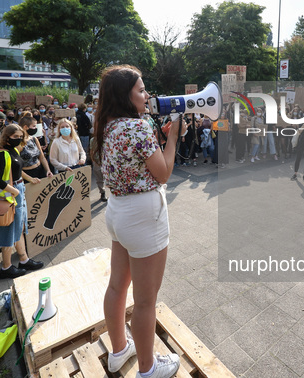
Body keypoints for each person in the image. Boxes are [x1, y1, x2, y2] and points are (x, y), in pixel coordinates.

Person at [95, 65, 182, 377]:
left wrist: (161, 134)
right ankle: (148, 369)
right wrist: (172, 140)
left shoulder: (108, 124)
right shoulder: (138, 128)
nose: (147, 96)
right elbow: (164, 173)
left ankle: (119, 350)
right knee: (146, 301)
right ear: (125, 95)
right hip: (144, 215)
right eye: (142, 90)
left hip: (118, 212)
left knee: (117, 286)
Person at [0, 125, 44, 279]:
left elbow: (17, 169)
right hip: (9, 195)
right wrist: (14, 191)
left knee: (19, 227)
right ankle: (6, 267)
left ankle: (23, 259)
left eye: (21, 136)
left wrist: (30, 179)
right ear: (6, 137)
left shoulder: (14, 151)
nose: (19, 139)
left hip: (18, 190)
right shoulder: (1, 155)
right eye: (15, 137)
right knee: (8, 230)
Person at [18, 117, 53, 181]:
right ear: (26, 127)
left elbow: (42, 157)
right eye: (34, 126)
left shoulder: (34, 139)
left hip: (40, 170)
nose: (36, 128)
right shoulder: (19, 143)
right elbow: (16, 166)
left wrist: (48, 170)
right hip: (28, 174)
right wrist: (29, 179)